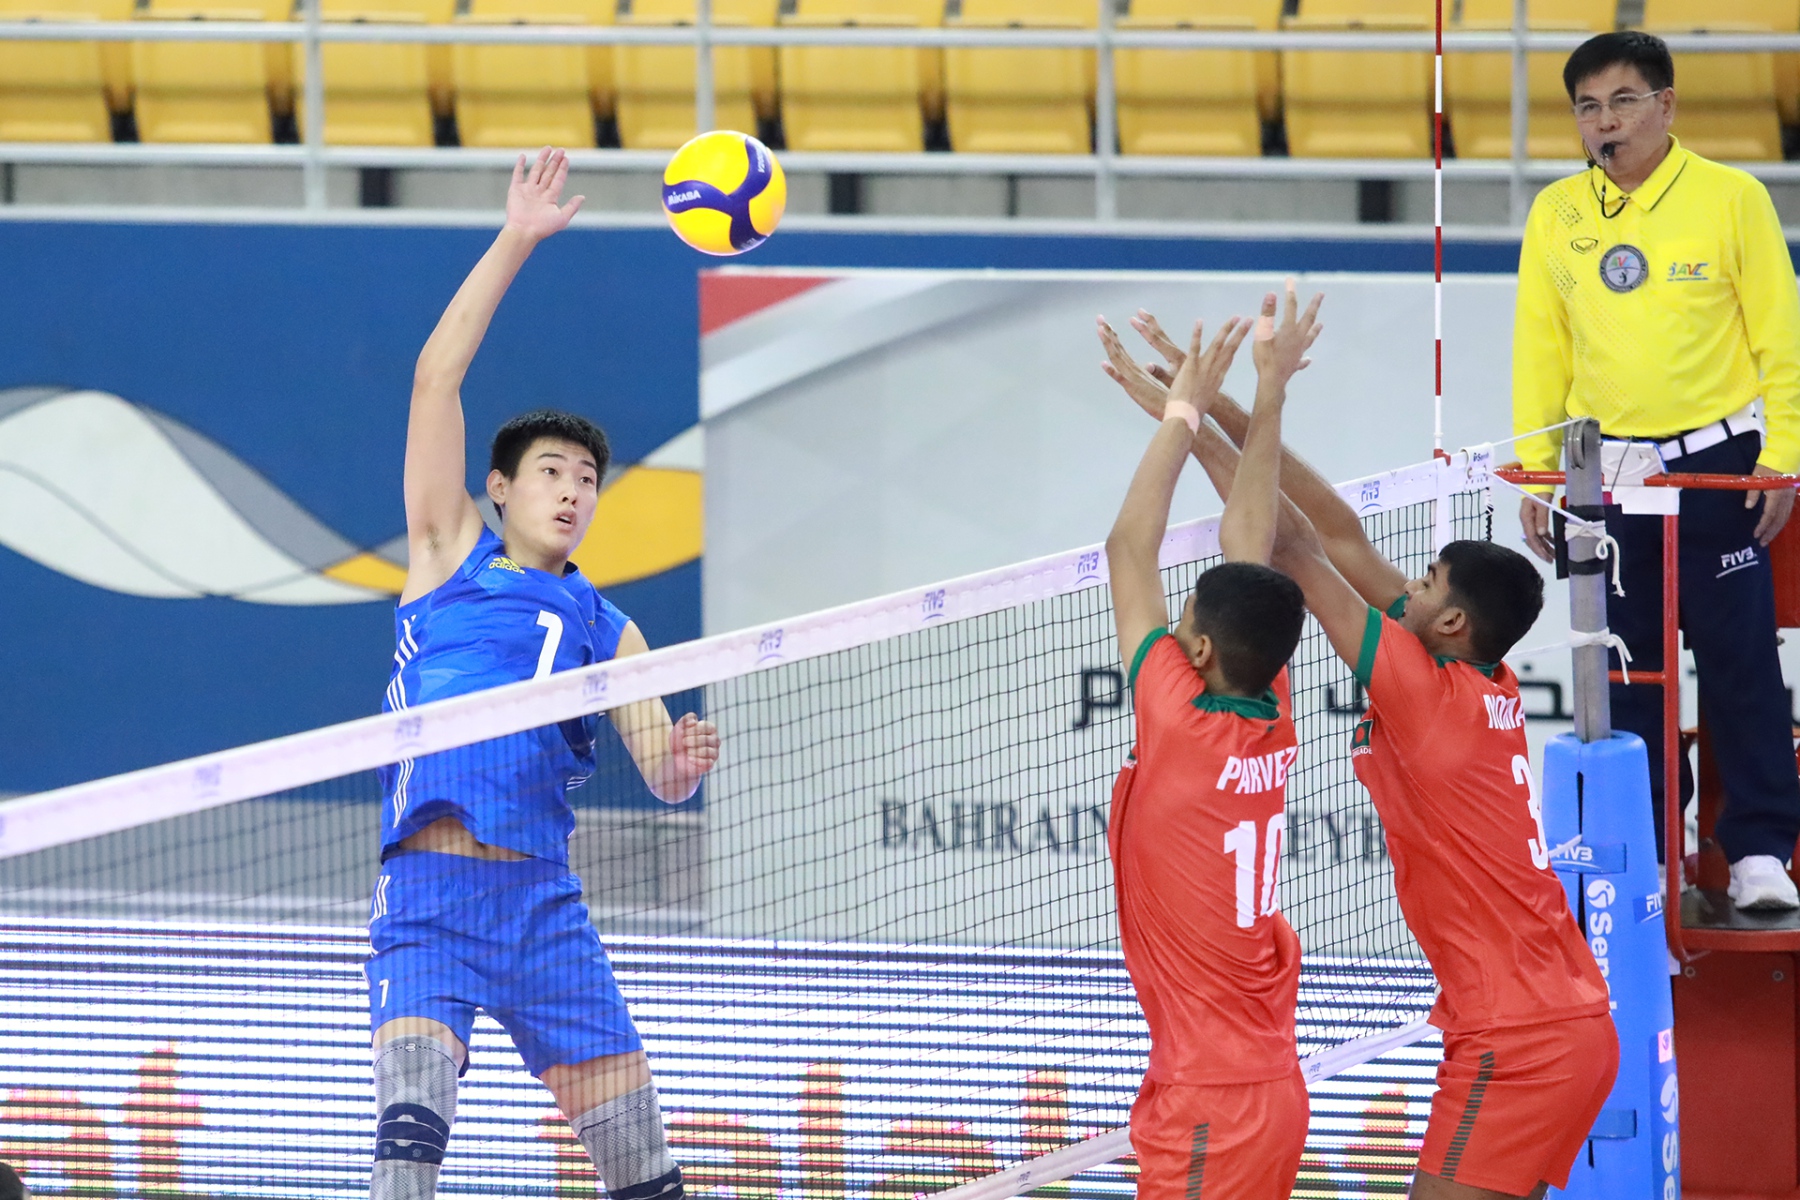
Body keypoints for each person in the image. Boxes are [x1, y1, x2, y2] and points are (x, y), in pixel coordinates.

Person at [1104, 309, 1616, 1200]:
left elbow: (1292, 546)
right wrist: (1215, 403)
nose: (1402, 583)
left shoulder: (1421, 696)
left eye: (1421, 585)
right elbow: (1331, 536)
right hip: (1559, 1017)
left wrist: (1194, 411)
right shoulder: (1475, 676)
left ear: (1450, 622)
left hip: (1517, 1038)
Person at [365, 147, 719, 1200]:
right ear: (499, 488)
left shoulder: (615, 631)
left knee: (645, 1174)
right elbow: (437, 376)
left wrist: (683, 764)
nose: (573, 492)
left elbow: (660, 772)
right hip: (429, 896)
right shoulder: (445, 558)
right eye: (552, 475)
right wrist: (517, 238)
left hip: (545, 910)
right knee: (409, 1144)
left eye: (589, 481)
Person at [1513, 31, 1800, 910]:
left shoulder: (1730, 197)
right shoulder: (1557, 212)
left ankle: (1759, 852)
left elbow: (1779, 334)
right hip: (1605, 479)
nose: (1606, 122)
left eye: (1624, 101)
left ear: (1666, 105)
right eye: (1588, 107)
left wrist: (1781, 458)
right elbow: (1541, 347)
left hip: (1718, 469)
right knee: (1625, 671)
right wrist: (1536, 469)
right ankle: (1647, 851)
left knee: (1742, 661)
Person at [1100, 284, 1317, 1199]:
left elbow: (1127, 549)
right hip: (1268, 1083)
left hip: (1210, 1103)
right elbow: (1251, 542)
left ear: (1193, 650)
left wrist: (1185, 409)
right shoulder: (1273, 705)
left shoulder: (1181, 724)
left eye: (1185, 615)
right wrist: (1265, 395)